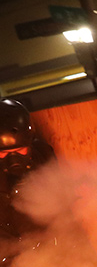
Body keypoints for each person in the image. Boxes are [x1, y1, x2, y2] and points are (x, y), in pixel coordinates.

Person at [0, 99, 54, 239]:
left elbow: (61, 196)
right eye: (3, 153)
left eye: (20, 150)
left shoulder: (43, 155)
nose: (13, 159)